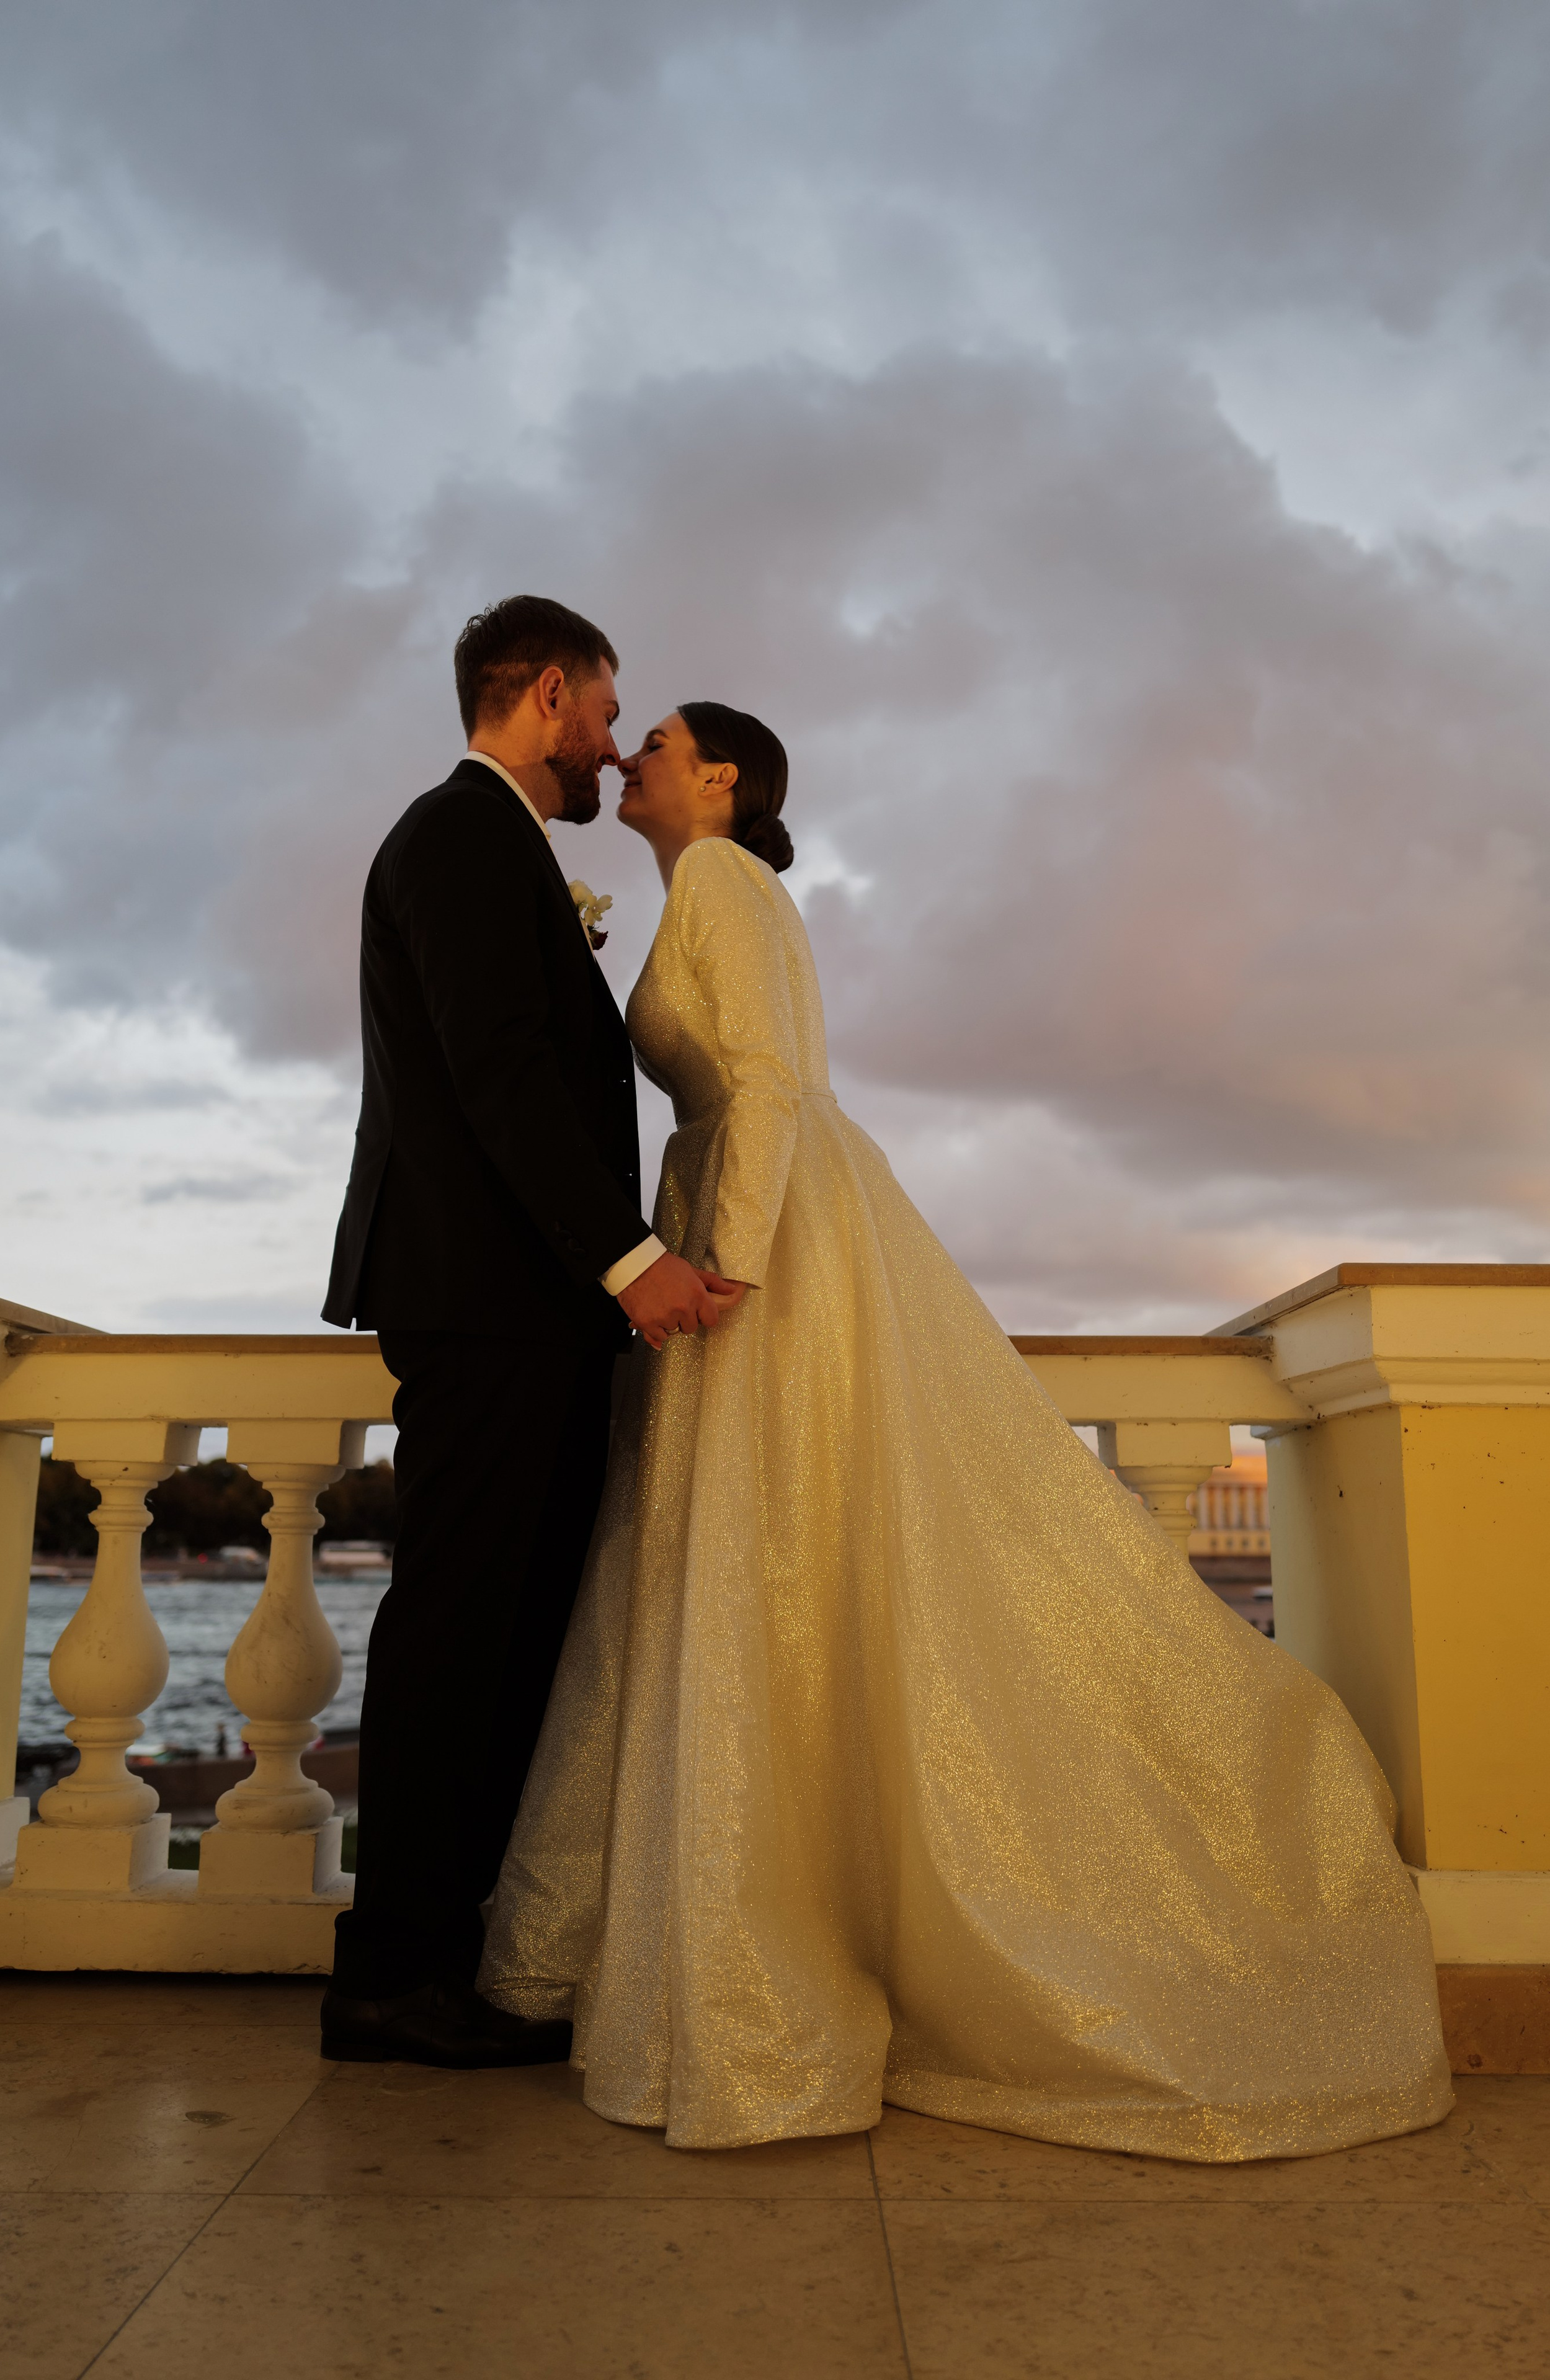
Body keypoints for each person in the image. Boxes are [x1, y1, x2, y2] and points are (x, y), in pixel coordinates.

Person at [480, 700, 1453, 2160]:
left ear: (723, 776)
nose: (630, 755)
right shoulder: (714, 888)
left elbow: (764, 1083)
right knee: (761, 1558)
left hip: (762, 1232)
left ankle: (762, 1964)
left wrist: (725, 1261)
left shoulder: (725, 880)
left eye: (658, 739)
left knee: (764, 1549)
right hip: (757, 1205)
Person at [319, 599, 741, 2069]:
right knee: (457, 1631)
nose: (614, 746)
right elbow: (496, 1071)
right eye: (606, 713)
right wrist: (630, 1259)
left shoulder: (494, 846)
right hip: (484, 1301)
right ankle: (391, 1974)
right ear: (548, 694)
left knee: (506, 1637)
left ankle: (449, 1954)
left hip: (523, 1305)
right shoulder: (457, 837)